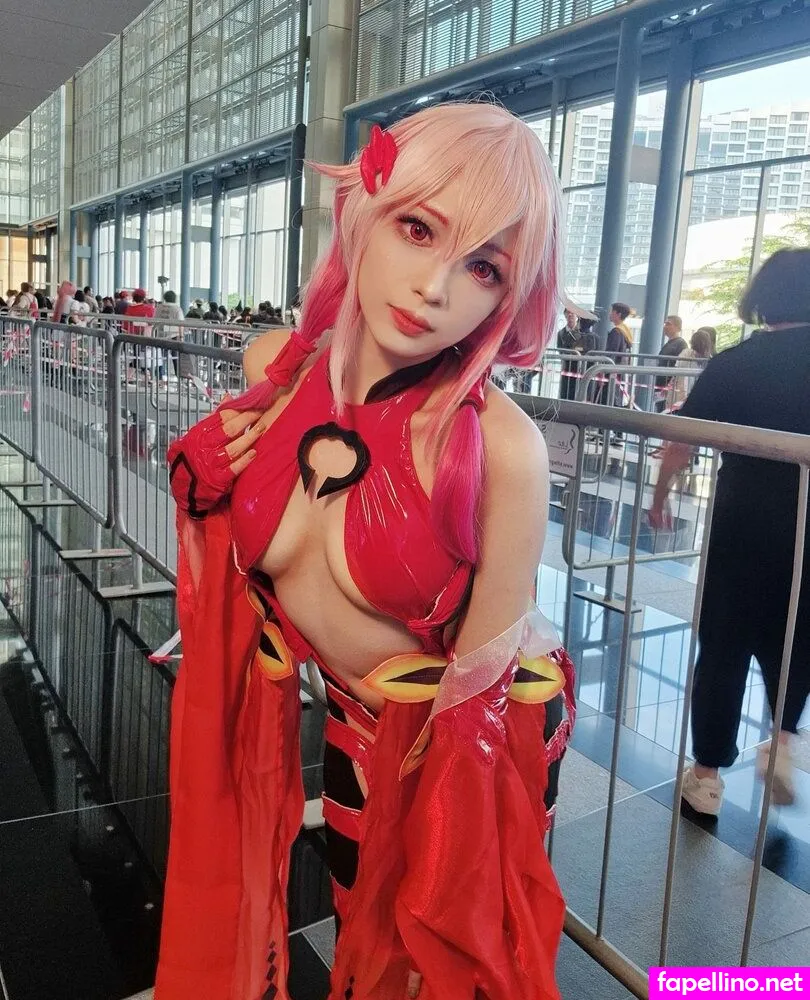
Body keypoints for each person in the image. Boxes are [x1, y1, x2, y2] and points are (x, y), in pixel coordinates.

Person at [156, 103, 576, 1000]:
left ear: (509, 296)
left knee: (439, 963)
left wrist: (443, 877)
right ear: (365, 212)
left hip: (471, 750)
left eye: (484, 267)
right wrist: (198, 485)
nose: (434, 289)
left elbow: (481, 691)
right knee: (359, 939)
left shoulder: (502, 449)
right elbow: (241, 551)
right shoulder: (275, 367)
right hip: (350, 717)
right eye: (418, 229)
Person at [650, 249, 810, 817]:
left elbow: (681, 442)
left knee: (724, 645)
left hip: (744, 522)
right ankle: (783, 742)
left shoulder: (735, 364)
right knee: (798, 637)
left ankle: (707, 778)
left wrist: (660, 496)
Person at [669, 328, 714, 408]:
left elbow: (677, 370)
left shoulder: (686, 354)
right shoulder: (710, 360)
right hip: (684, 392)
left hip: (684, 393)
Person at [153, 289, 186, 382]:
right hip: (173, 335)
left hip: (160, 335)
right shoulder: (177, 309)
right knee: (176, 357)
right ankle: (179, 375)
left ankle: (159, 376)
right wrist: (181, 336)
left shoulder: (159, 307)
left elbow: (154, 319)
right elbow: (181, 324)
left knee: (160, 357)